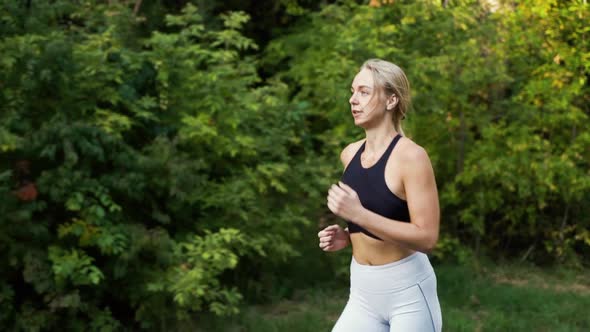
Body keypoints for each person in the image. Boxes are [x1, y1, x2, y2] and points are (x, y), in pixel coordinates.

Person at [318, 59, 442, 332]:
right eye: (352, 91)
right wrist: (350, 235)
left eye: (364, 92)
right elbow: (381, 213)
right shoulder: (349, 153)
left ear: (391, 100)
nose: (353, 100)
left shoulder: (412, 157)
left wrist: (358, 214)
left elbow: (428, 237)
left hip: (408, 295)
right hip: (362, 294)